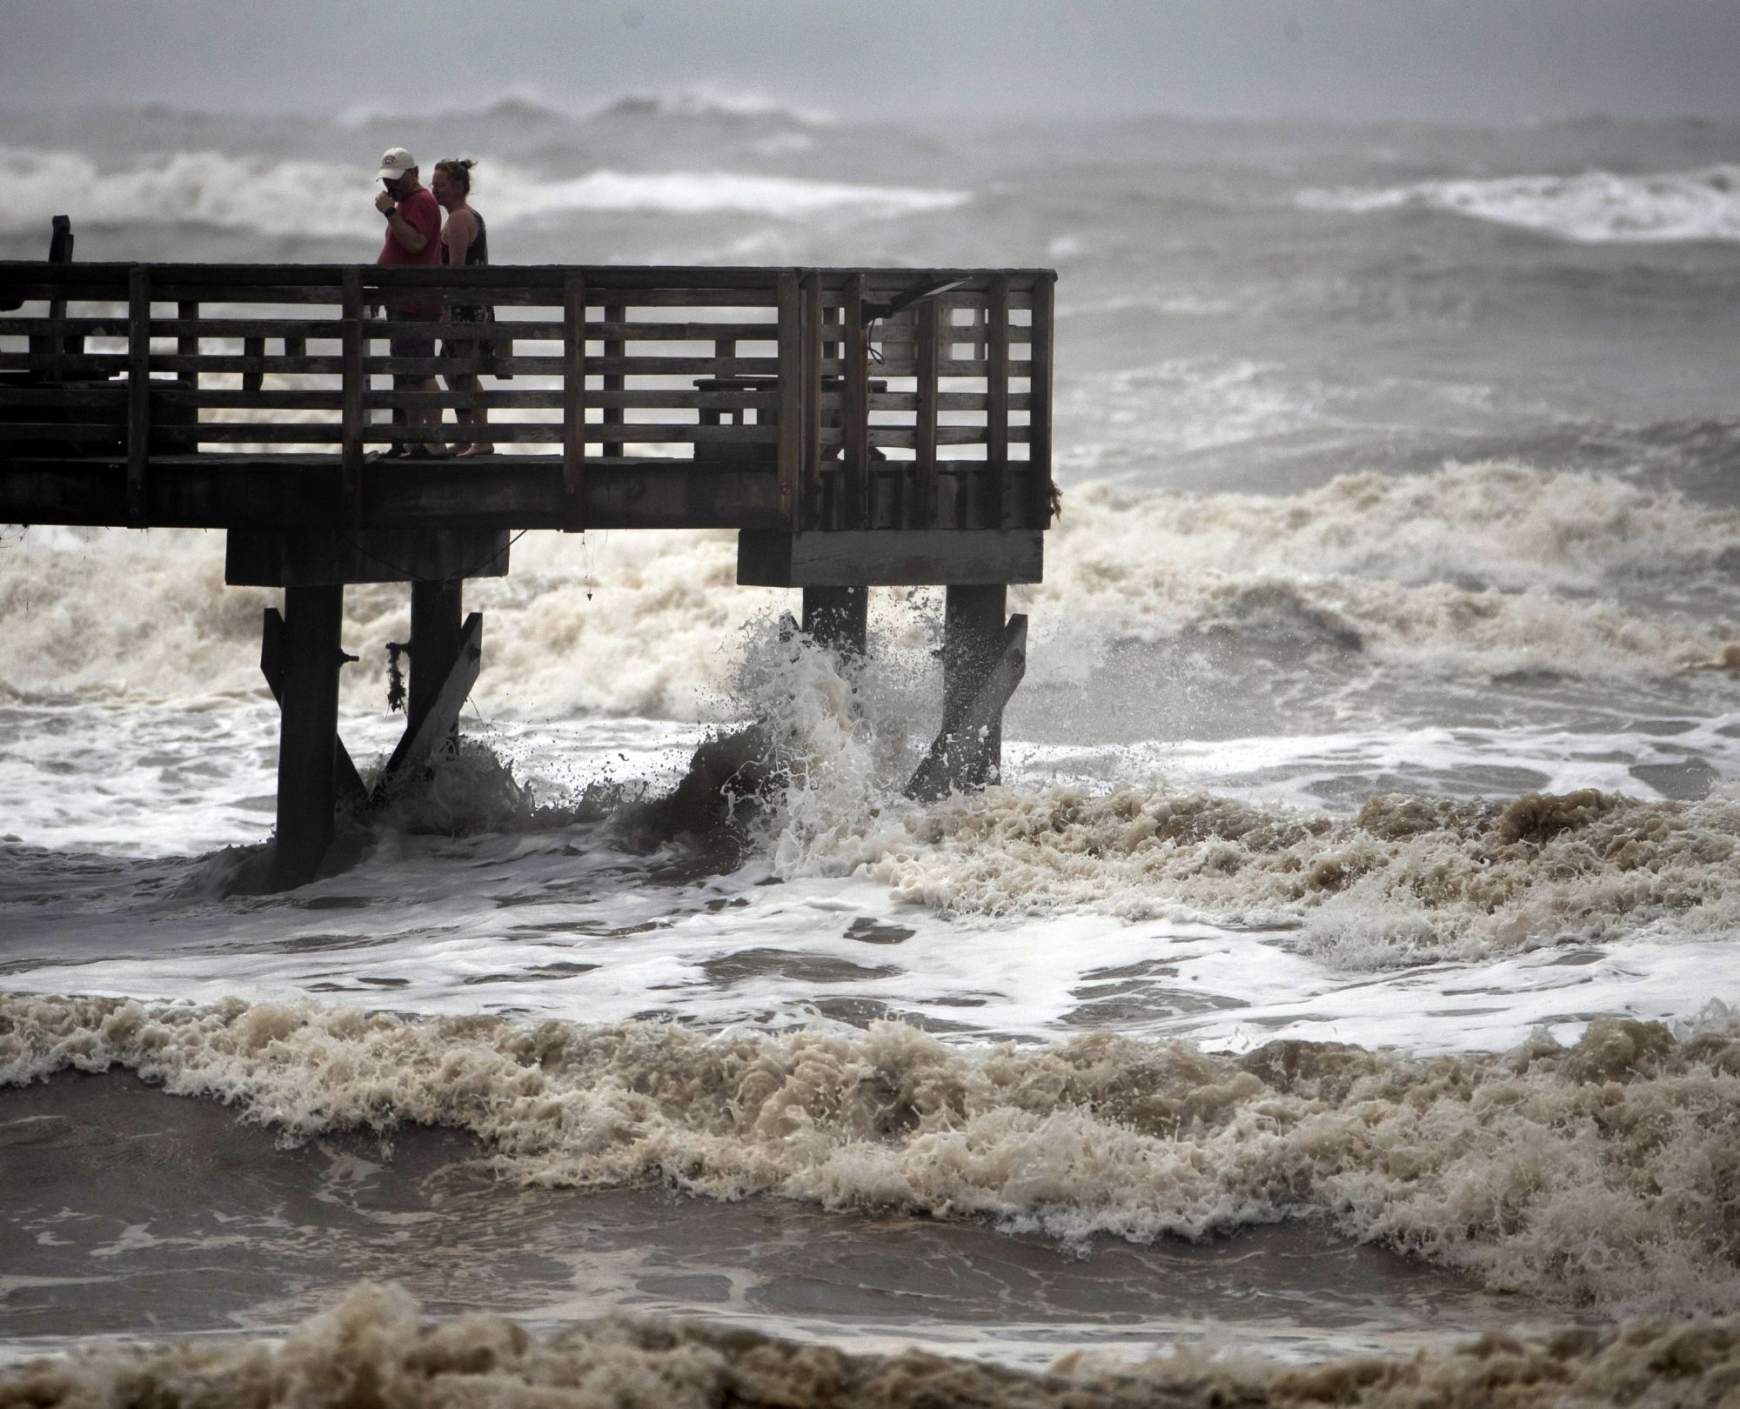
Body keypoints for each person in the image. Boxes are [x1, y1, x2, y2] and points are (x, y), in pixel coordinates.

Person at [373, 147, 443, 458]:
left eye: (397, 180)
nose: (391, 186)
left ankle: (433, 440)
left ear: (413, 174)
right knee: (405, 373)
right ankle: (412, 440)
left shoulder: (422, 202)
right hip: (400, 300)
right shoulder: (405, 203)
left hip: (416, 302)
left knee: (420, 371)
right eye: (387, 181)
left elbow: (415, 243)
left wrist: (390, 213)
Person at [431, 157, 494, 457]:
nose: (434, 191)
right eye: (433, 185)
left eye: (440, 185)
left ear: (457, 187)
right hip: (471, 306)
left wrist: (444, 305)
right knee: (453, 370)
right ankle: (467, 436)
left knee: (463, 372)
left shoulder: (458, 219)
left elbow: (455, 270)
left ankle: (481, 438)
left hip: (463, 309)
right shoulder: (472, 215)